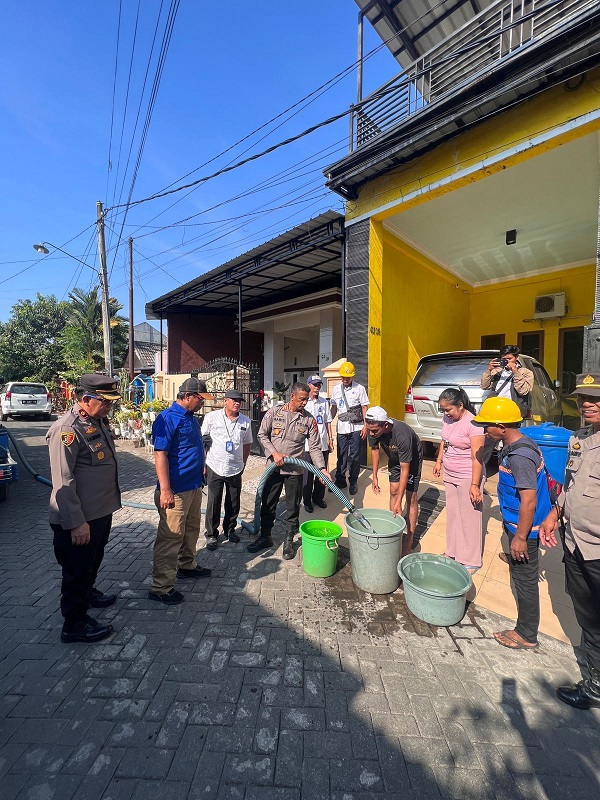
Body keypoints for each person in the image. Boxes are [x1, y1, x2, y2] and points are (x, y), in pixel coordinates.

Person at [539, 372, 600, 709]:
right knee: (588, 615)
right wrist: (554, 513)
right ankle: (595, 685)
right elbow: (570, 485)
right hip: (577, 544)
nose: (587, 404)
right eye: (582, 399)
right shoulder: (579, 438)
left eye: (595, 399)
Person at [47, 374, 122, 644]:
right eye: (105, 402)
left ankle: (88, 594)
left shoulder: (97, 421)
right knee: (76, 570)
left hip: (100, 511)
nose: (109, 407)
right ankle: (74, 624)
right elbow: (63, 481)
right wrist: (77, 522)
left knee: (92, 562)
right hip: (79, 518)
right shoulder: (67, 429)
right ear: (86, 399)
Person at [472, 396, 551, 650]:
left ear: (502, 427)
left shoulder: (520, 456)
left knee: (524, 581)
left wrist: (520, 538)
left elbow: (528, 502)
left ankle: (527, 634)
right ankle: (517, 553)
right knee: (520, 568)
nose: (485, 430)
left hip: (524, 528)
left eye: (488, 426)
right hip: (515, 522)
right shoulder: (515, 444)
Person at [148, 377, 213, 605]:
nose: (202, 403)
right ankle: (161, 587)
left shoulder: (192, 419)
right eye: (199, 399)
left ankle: (187, 565)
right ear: (187, 396)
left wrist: (201, 466)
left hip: (193, 486)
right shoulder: (167, 419)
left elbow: (194, 447)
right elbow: (160, 454)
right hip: (174, 491)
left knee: (191, 529)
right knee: (170, 538)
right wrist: (165, 489)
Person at [250, 382, 330, 560]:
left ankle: (288, 540)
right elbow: (262, 434)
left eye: (307, 400)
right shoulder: (274, 412)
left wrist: (322, 469)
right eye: (302, 399)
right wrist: (274, 453)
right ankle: (265, 537)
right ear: (292, 396)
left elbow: (315, 448)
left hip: (295, 470)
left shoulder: (309, 420)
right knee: (268, 503)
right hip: (274, 468)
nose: (305, 403)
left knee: (293, 507)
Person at [432, 388, 485, 573]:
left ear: (460, 405)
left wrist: (475, 485)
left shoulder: (474, 424)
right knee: (453, 515)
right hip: (450, 473)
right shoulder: (447, 418)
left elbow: (477, 458)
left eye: (449, 410)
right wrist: (439, 461)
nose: (446, 414)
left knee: (469, 517)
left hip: (468, 476)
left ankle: (471, 559)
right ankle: (453, 551)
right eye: (443, 410)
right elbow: (444, 440)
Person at [365, 406, 423, 556]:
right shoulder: (373, 426)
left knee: (411, 497)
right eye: (369, 430)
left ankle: (409, 538)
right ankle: (394, 530)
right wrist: (375, 476)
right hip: (394, 458)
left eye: (375, 431)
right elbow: (375, 451)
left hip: (411, 461)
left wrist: (399, 501)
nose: (371, 434)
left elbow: (406, 469)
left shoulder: (402, 435)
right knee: (393, 491)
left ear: (385, 425)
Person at [202, 389, 253, 551]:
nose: (237, 403)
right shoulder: (212, 417)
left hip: (235, 467)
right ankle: (211, 534)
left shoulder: (245, 421)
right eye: (233, 400)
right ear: (225, 401)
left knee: (233, 501)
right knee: (214, 500)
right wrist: (203, 464)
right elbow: (203, 441)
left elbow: (247, 444)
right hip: (214, 465)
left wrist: (243, 463)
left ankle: (230, 529)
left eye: (239, 401)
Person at [480, 345, 534, 468]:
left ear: (516, 358)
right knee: (487, 444)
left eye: (509, 358)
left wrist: (515, 372)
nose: (506, 361)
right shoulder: (497, 371)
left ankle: (509, 468)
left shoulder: (526, 373)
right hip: (494, 414)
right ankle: (480, 469)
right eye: (503, 358)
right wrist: (488, 370)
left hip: (512, 416)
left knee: (510, 444)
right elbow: (484, 385)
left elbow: (524, 391)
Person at [330, 361, 369, 495]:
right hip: (341, 428)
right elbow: (334, 408)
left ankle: (353, 481)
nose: (345, 379)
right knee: (341, 455)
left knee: (355, 456)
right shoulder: (336, 389)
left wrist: (365, 426)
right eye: (343, 377)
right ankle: (340, 480)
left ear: (353, 376)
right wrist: (328, 421)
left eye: (348, 377)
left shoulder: (360, 389)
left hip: (357, 428)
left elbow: (364, 407)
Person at [302, 375, 333, 513]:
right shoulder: (304, 402)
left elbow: (327, 422)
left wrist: (330, 439)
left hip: (323, 444)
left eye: (319, 385)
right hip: (308, 446)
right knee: (308, 475)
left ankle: (318, 498)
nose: (317, 387)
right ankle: (307, 500)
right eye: (314, 384)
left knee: (322, 473)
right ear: (308, 385)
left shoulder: (323, 402)